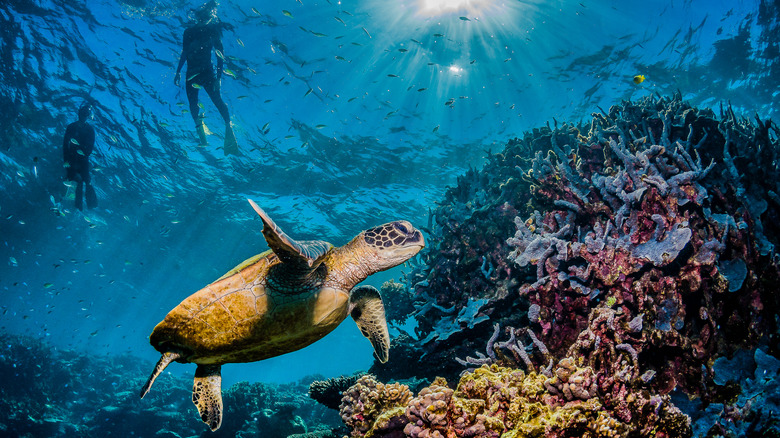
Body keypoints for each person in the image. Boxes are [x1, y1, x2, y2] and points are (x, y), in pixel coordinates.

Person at [174, 0, 239, 155]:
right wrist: (177, 71)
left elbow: (220, 54)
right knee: (192, 104)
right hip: (192, 74)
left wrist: (219, 78)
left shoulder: (213, 31)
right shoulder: (188, 32)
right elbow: (184, 52)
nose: (205, 19)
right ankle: (200, 129)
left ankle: (228, 126)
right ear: (199, 17)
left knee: (217, 100)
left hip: (207, 73)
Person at [63, 103, 98, 210]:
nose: (83, 116)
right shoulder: (71, 127)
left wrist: (83, 155)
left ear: (88, 116)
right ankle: (78, 206)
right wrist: (67, 160)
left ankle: (88, 205)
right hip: (72, 158)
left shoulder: (90, 130)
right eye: (82, 113)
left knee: (86, 180)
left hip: (83, 159)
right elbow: (65, 145)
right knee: (77, 180)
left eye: (86, 114)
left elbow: (90, 147)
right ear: (79, 114)